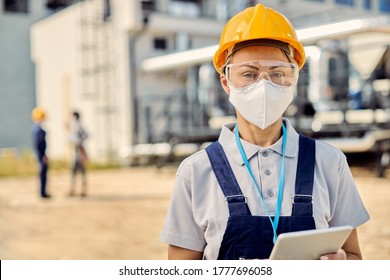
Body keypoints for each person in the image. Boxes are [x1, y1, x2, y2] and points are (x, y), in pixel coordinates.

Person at [160, 4, 370, 260]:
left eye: (277, 73)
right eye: (248, 73)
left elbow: (354, 257)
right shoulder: (195, 172)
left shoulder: (329, 162)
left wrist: (343, 266)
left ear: (293, 80)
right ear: (226, 82)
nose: (264, 85)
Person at [68, 111, 89, 197]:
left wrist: (79, 141)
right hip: (76, 151)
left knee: (80, 172)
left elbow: (86, 135)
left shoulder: (78, 127)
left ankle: (81, 190)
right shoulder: (75, 127)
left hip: (79, 152)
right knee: (76, 172)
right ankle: (75, 190)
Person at [31, 107, 50, 199]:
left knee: (42, 173)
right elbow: (39, 144)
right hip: (41, 155)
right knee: (43, 174)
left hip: (40, 154)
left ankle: (42, 192)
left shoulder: (35, 128)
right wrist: (43, 156)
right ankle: (42, 193)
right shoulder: (38, 129)